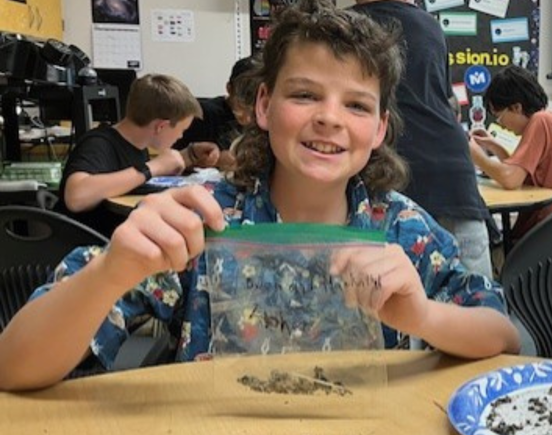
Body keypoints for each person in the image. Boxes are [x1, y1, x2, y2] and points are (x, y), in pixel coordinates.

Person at [0, 0, 519, 392]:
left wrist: (423, 316)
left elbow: (502, 335)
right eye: (305, 94)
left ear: (381, 128)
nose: (330, 117)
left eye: (357, 105)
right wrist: (111, 269)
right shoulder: (200, 224)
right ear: (264, 106)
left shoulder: (403, 230)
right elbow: (14, 366)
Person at [352, 0, 495, 278]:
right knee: (474, 302)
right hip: (452, 171)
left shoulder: (346, 29)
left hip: (388, 166)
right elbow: (447, 101)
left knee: (386, 306)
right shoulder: (430, 25)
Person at [56, 73, 202, 236]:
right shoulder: (98, 144)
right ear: (161, 126)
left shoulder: (138, 147)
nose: (180, 136)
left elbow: (124, 179)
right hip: (87, 248)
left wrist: (186, 157)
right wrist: (152, 168)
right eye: (182, 130)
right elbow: (76, 197)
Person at [468, 66, 552, 241]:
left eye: (500, 117)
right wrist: (493, 145)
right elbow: (522, 172)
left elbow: (511, 179)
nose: (500, 124)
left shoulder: (541, 121)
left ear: (516, 107)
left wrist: (474, 154)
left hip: (540, 234)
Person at [173, 56, 261, 172]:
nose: (248, 118)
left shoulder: (267, 117)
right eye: (240, 106)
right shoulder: (204, 113)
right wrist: (216, 161)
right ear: (229, 89)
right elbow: (173, 162)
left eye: (253, 108)